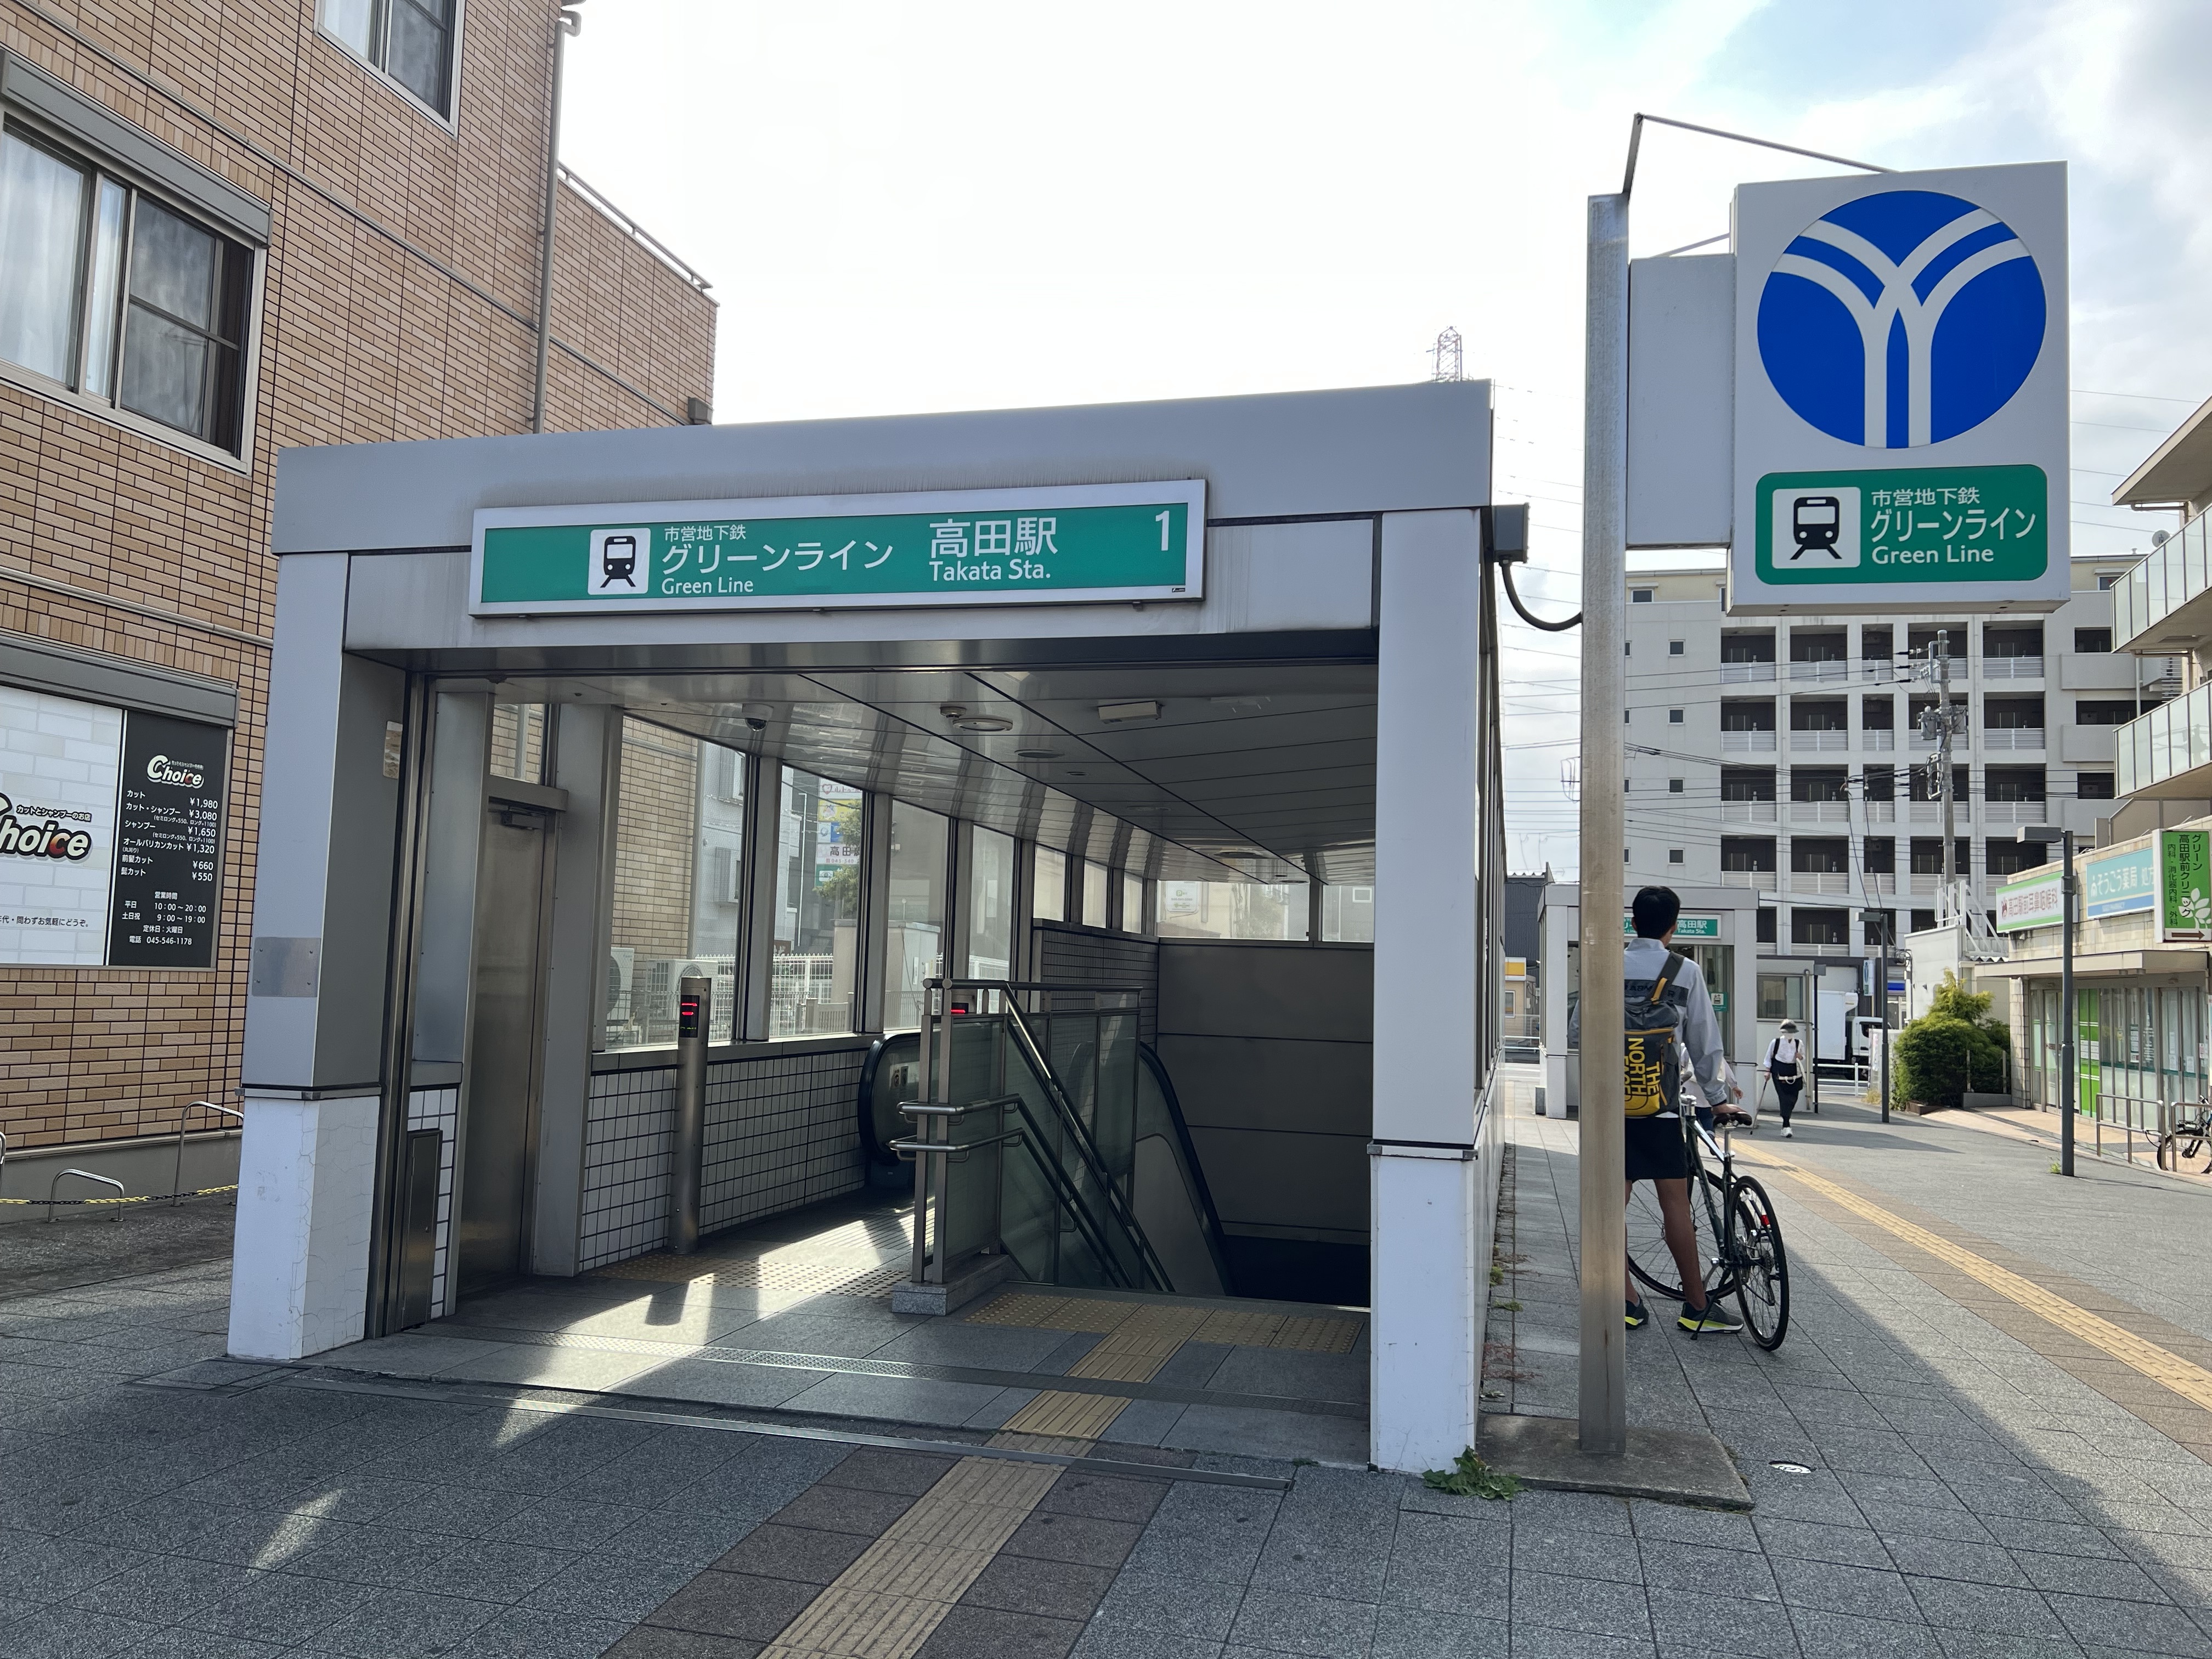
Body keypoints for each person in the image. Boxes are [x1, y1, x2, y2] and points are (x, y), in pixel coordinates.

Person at [1617, 886, 1746, 1334]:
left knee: (1611, 1209)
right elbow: (1704, 1041)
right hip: (1662, 1108)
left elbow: (1578, 1031)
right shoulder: (1685, 971)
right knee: (1675, 1203)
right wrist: (1718, 1097)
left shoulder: (1607, 965)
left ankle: (1625, 1301)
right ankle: (1696, 1307)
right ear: (1673, 927)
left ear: (1634, 922)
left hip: (1611, 1108)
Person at [1760, 1021, 1806, 1139]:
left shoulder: (1799, 1043)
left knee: (1793, 1098)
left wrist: (1800, 1057)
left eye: (1791, 1033)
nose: (1789, 1035)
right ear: (1783, 1032)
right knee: (1784, 1097)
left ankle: (1786, 1120)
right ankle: (1786, 1125)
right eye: (1787, 1033)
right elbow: (1768, 1057)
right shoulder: (1776, 1042)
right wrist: (1767, 1071)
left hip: (1794, 1072)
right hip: (1779, 1071)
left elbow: (1803, 1056)